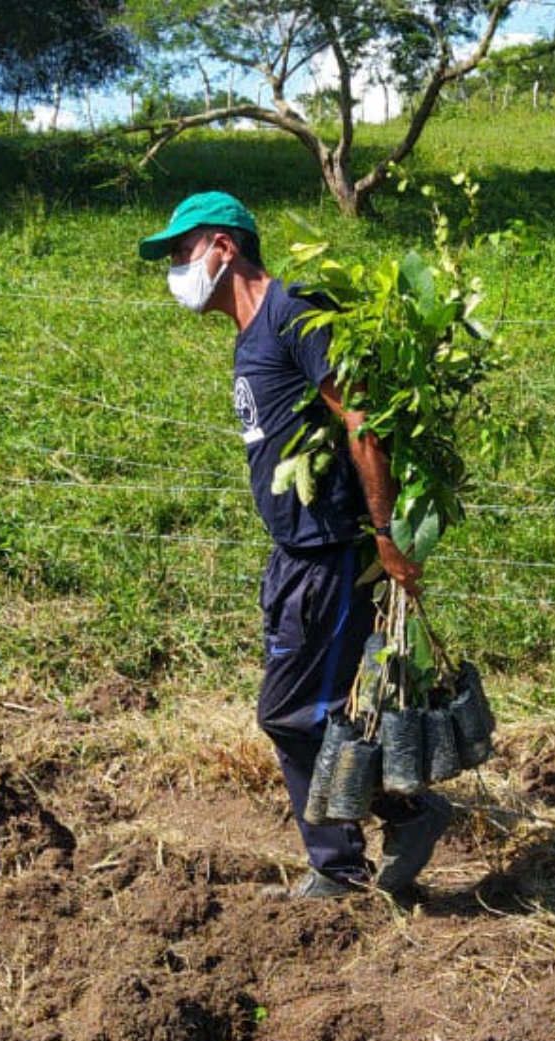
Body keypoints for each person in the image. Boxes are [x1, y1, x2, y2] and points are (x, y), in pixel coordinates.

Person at [138, 191, 451, 901]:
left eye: (180, 252)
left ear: (223, 247)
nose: (174, 270)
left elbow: (361, 422)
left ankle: (380, 833)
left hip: (332, 550)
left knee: (291, 712)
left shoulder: (293, 311)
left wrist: (385, 535)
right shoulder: (249, 337)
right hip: (294, 552)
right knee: (319, 706)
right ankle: (358, 848)